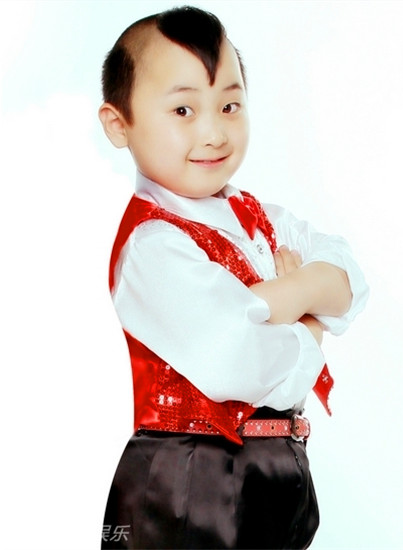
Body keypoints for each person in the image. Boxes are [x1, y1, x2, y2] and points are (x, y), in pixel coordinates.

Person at [98, 6, 369, 549]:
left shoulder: (260, 218)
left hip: (279, 469)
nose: (214, 132)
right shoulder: (153, 245)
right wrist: (311, 326)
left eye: (229, 105)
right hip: (191, 480)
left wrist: (286, 295)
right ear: (119, 124)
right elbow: (236, 363)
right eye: (183, 109)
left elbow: (351, 280)